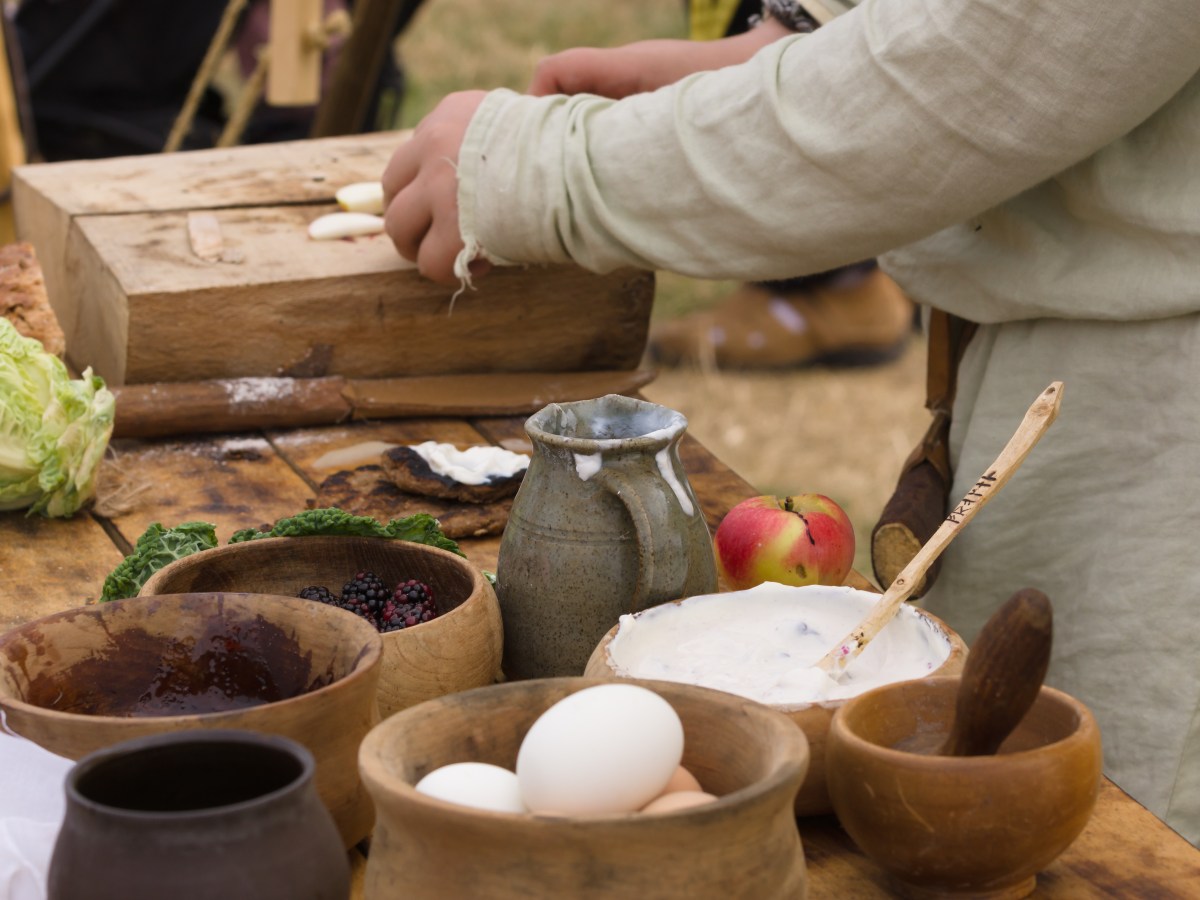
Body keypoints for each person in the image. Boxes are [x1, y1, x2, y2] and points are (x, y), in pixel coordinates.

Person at [380, 0, 1200, 846]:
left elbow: (994, 56)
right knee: (980, 794)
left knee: (1124, 832)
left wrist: (548, 168)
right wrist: (806, 39)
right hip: (1076, 353)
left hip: (1161, 427)